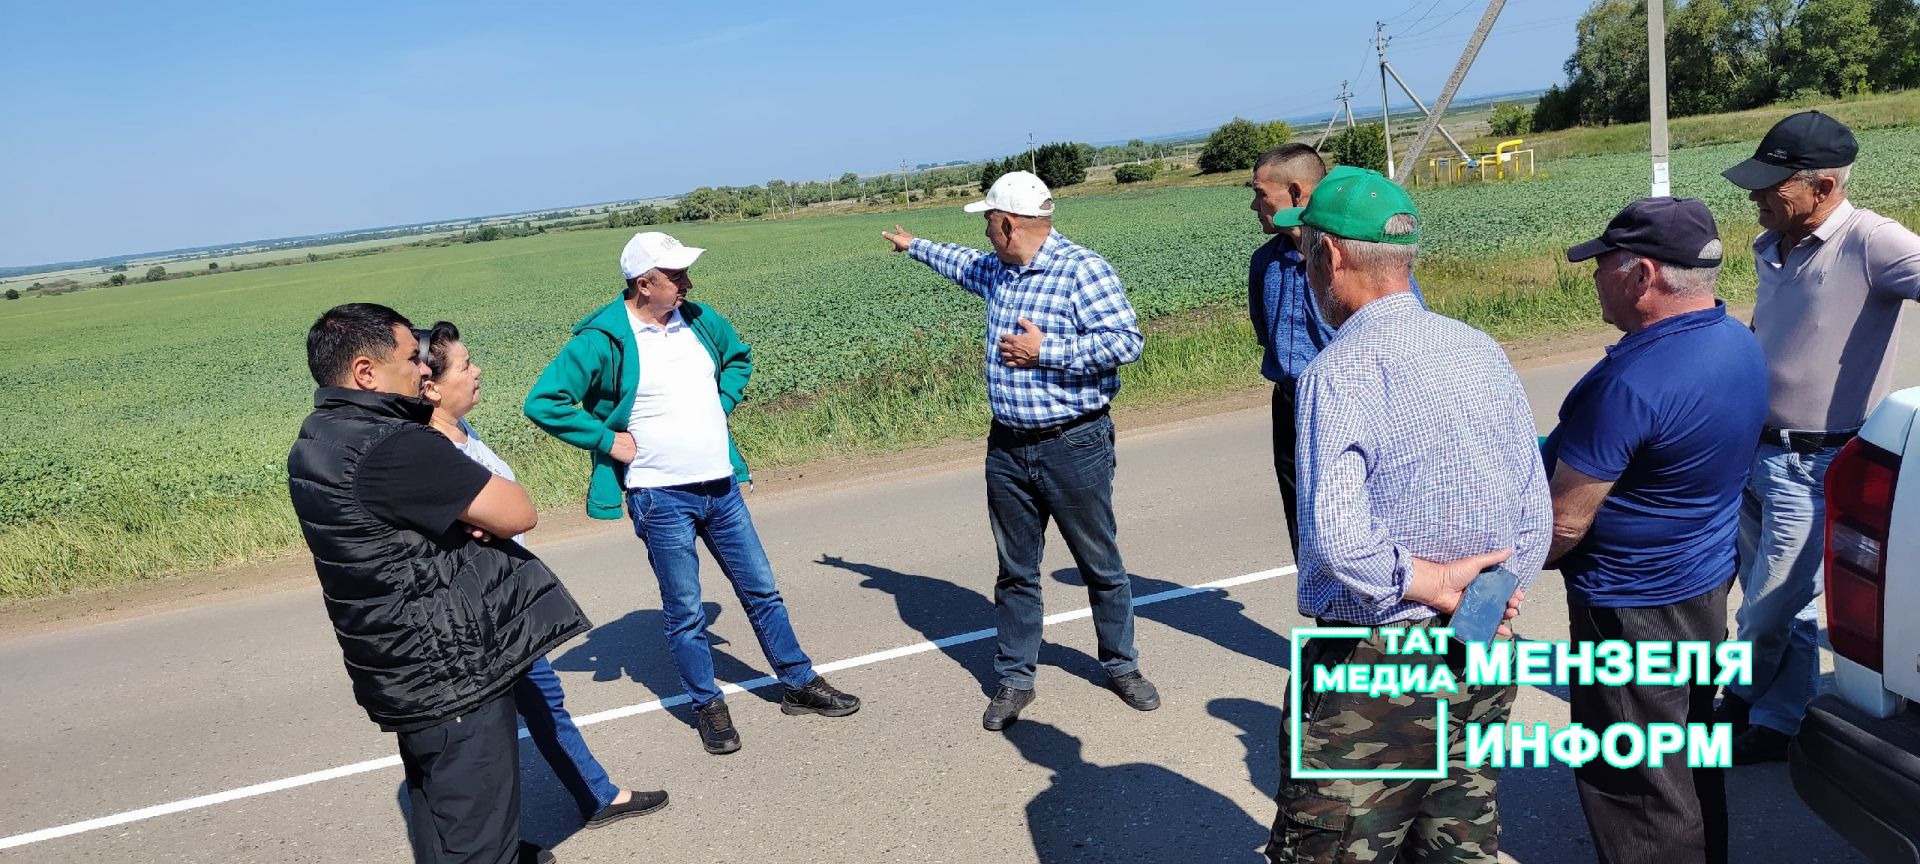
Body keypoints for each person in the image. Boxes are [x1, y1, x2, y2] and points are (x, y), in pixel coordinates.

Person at [1266, 169, 1552, 864]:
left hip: (1377, 661)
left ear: (1330, 256)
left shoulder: (1340, 371)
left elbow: (1338, 540)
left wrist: (1435, 582)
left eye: (1305, 254)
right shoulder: (1478, 348)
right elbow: (1534, 511)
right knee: (1458, 840)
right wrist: (1493, 590)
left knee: (1333, 848)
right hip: (1482, 648)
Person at [524, 231, 858, 757]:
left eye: (683, 273)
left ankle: (798, 682)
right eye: (674, 276)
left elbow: (739, 359)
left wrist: (720, 402)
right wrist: (607, 439)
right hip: (660, 496)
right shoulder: (601, 339)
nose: (686, 283)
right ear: (643, 283)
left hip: (720, 486)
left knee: (762, 591)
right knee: (684, 611)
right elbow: (545, 401)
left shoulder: (700, 320)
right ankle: (708, 705)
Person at [287, 303, 590, 864]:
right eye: (410, 359)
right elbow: (517, 511)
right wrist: (467, 512)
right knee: (480, 839)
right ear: (365, 373)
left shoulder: (319, 436)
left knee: (438, 819)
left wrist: (457, 512)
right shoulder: (394, 445)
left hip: (399, 662)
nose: (423, 371)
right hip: (448, 668)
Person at [882, 171, 1159, 732]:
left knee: (1099, 564)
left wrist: (1044, 350)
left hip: (1073, 443)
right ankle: (1015, 678)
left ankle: (1121, 664)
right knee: (1015, 570)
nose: (984, 232)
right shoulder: (999, 272)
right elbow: (958, 262)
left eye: (988, 220)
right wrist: (914, 246)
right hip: (1007, 446)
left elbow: (1126, 341)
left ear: (1007, 223)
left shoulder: (1082, 270)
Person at [1544, 198, 1764, 864]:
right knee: (1692, 761)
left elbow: (1561, 522)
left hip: (1633, 608)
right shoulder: (1737, 342)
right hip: (1702, 589)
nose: (1593, 277)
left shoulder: (1629, 382)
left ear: (1643, 276)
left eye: (1602, 264)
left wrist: (1487, 576)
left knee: (1638, 788)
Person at [1718, 110, 1920, 763]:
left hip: (1816, 462)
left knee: (1773, 606)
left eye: (1771, 186)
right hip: (1755, 450)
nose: (1753, 196)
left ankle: (1742, 694)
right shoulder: (1773, 243)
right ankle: (1781, 721)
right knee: (1779, 602)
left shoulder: (1872, 241)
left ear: (1824, 186)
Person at [415, 320, 668, 829]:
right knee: (488, 728)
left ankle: (594, 796)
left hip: (504, 594)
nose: (477, 370)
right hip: (479, 608)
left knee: (536, 704)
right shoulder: (431, 449)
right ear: (431, 386)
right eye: (465, 365)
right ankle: (496, 837)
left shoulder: (461, 432)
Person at [1247, 147, 1424, 557]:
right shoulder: (1264, 264)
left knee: (1355, 519)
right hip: (1291, 406)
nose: (1255, 205)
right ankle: (1323, 610)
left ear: (1295, 192)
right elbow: (1265, 333)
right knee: (1303, 521)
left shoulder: (1358, 262)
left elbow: (1402, 331)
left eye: (1260, 193)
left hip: (1350, 404)